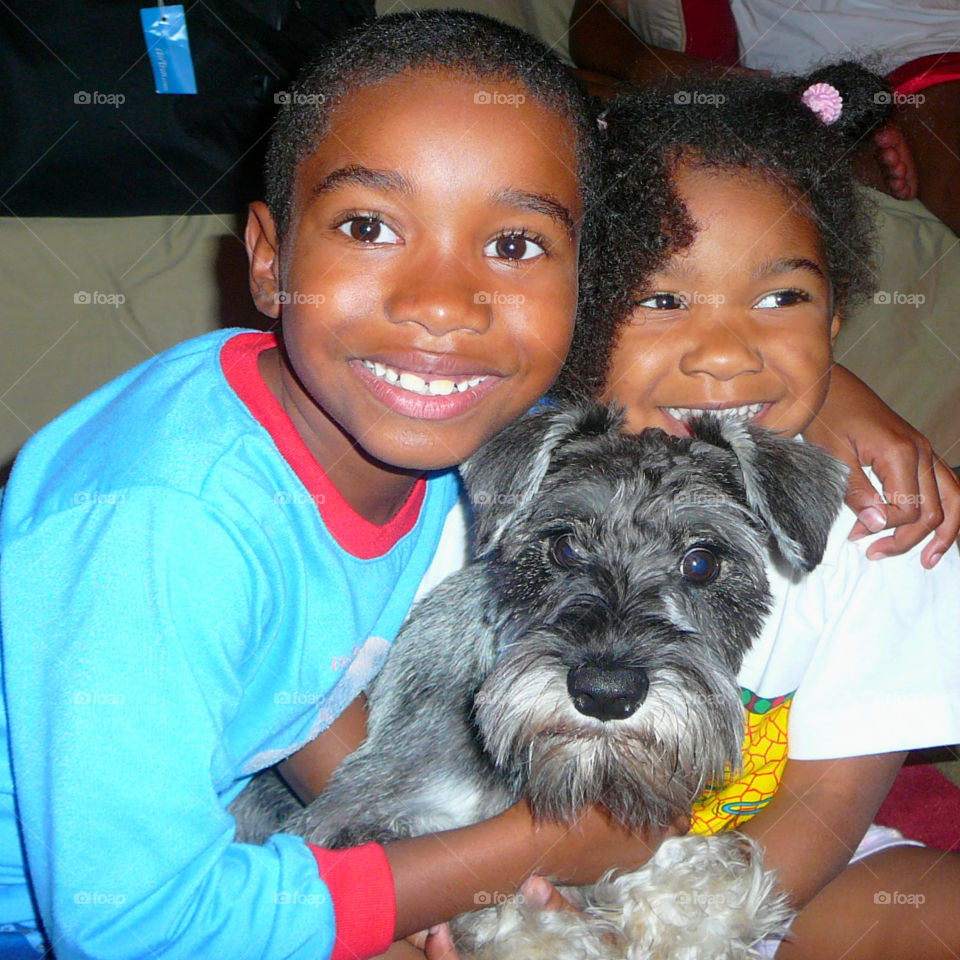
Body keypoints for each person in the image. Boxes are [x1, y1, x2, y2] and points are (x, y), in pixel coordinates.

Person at [0, 13, 954, 960]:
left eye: (514, 244)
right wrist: (511, 855)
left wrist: (827, 403)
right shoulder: (169, 517)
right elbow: (131, 924)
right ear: (266, 257)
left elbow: (312, 686)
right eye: (370, 226)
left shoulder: (433, 415)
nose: (443, 304)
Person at [556, 62, 960, 958]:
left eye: (783, 298)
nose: (730, 353)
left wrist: (681, 942)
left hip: (757, 883)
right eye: (662, 300)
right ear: (576, 315)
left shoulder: (879, 527)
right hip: (517, 880)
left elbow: (824, 805)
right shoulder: (516, 487)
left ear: (838, 309)